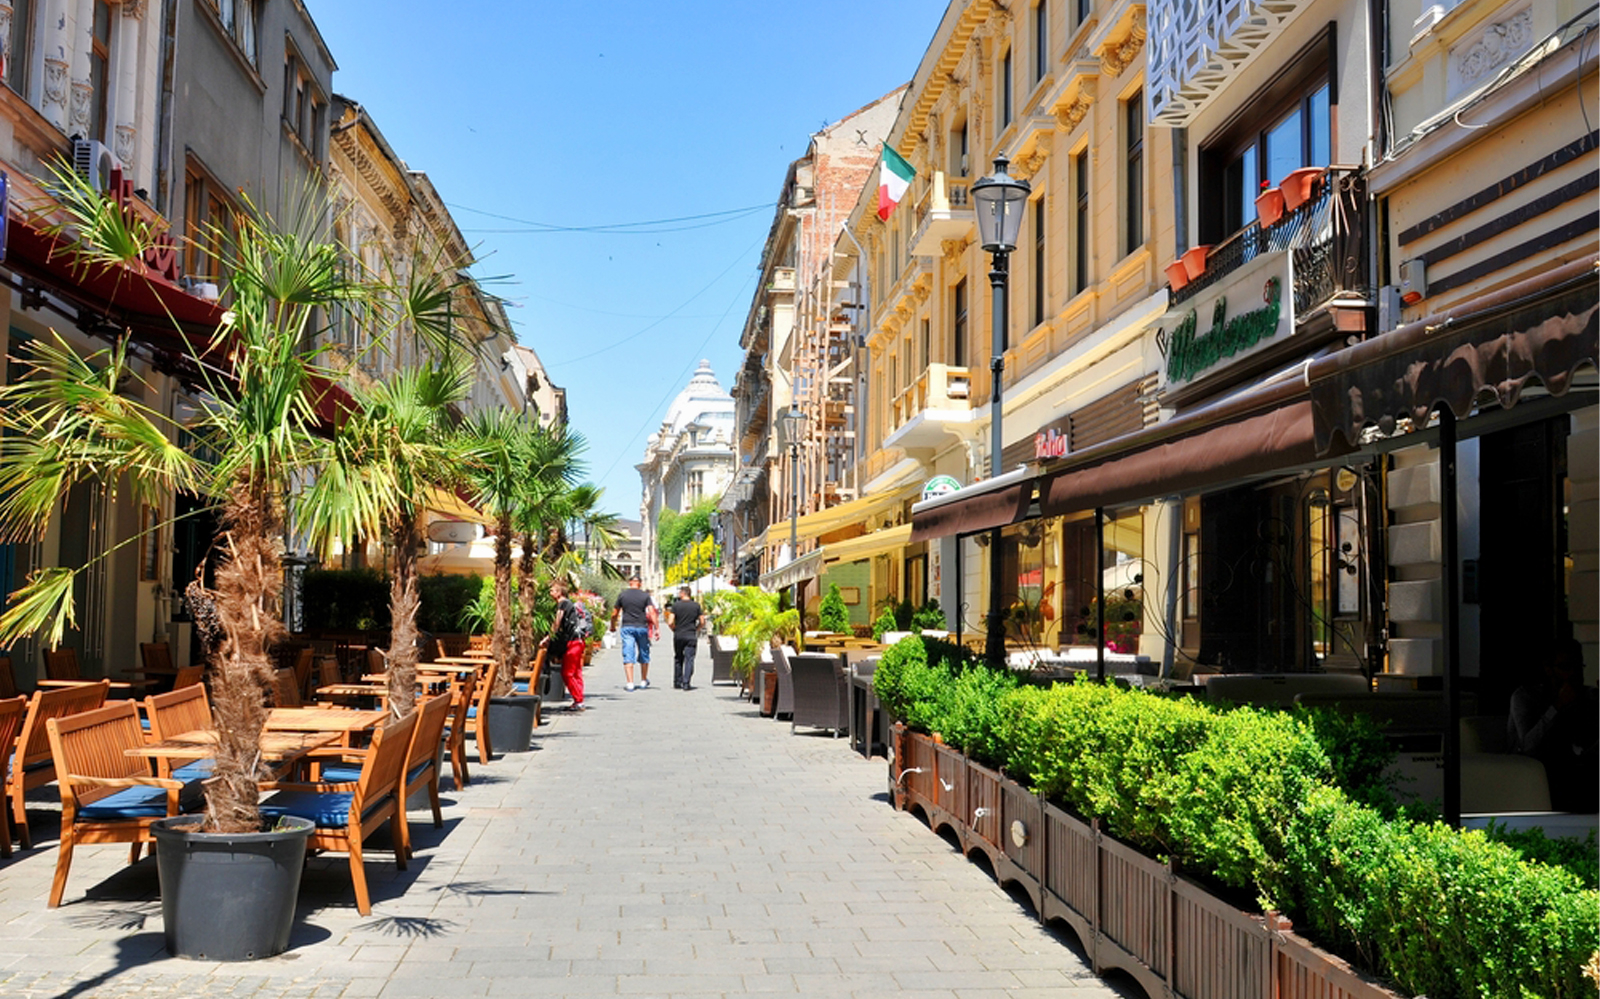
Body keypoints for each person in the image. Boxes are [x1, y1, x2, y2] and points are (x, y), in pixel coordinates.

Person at [1507, 637, 1598, 812]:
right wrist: (1557, 707)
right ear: (1548, 669)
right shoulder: (1526, 697)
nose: (1573, 674)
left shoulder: (1586, 697)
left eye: (1578, 667)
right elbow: (1528, 747)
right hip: (1537, 773)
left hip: (1576, 774)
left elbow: (1587, 746)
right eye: (1566, 667)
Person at [540, 581, 586, 712]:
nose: (550, 593)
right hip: (579, 641)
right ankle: (579, 699)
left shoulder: (563, 604)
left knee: (567, 673)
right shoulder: (570, 603)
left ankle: (579, 700)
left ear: (559, 592)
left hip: (572, 643)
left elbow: (557, 622)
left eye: (552, 591)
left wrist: (548, 637)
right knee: (576, 672)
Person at [611, 574, 656, 691]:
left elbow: (614, 613)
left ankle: (630, 683)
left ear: (630, 582)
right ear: (640, 583)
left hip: (627, 627)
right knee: (644, 652)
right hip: (642, 626)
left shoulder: (623, 595)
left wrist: (612, 626)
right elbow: (652, 612)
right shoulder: (645, 596)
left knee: (628, 653)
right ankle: (643, 680)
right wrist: (657, 628)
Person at [666, 585, 703, 690]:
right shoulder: (696, 606)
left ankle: (677, 682)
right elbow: (702, 621)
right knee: (689, 659)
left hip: (679, 635)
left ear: (683, 593)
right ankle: (686, 682)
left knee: (678, 657)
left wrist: (674, 629)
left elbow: (670, 621)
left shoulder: (676, 606)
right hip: (691, 634)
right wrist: (697, 628)